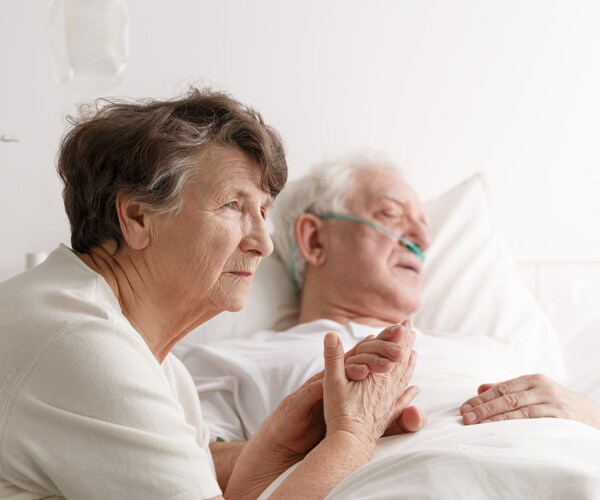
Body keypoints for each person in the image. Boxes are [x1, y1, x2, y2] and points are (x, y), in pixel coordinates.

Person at [0, 91, 418, 500]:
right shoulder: (82, 344)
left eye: (263, 212)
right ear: (136, 217)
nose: (262, 243)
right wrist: (353, 434)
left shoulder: (162, 370)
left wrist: (274, 449)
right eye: (233, 205)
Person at [180, 153, 600, 496]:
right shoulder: (229, 359)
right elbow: (187, 464)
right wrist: (339, 435)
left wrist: (585, 412)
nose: (421, 239)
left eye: (425, 227)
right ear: (314, 240)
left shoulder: (492, 349)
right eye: (392, 214)